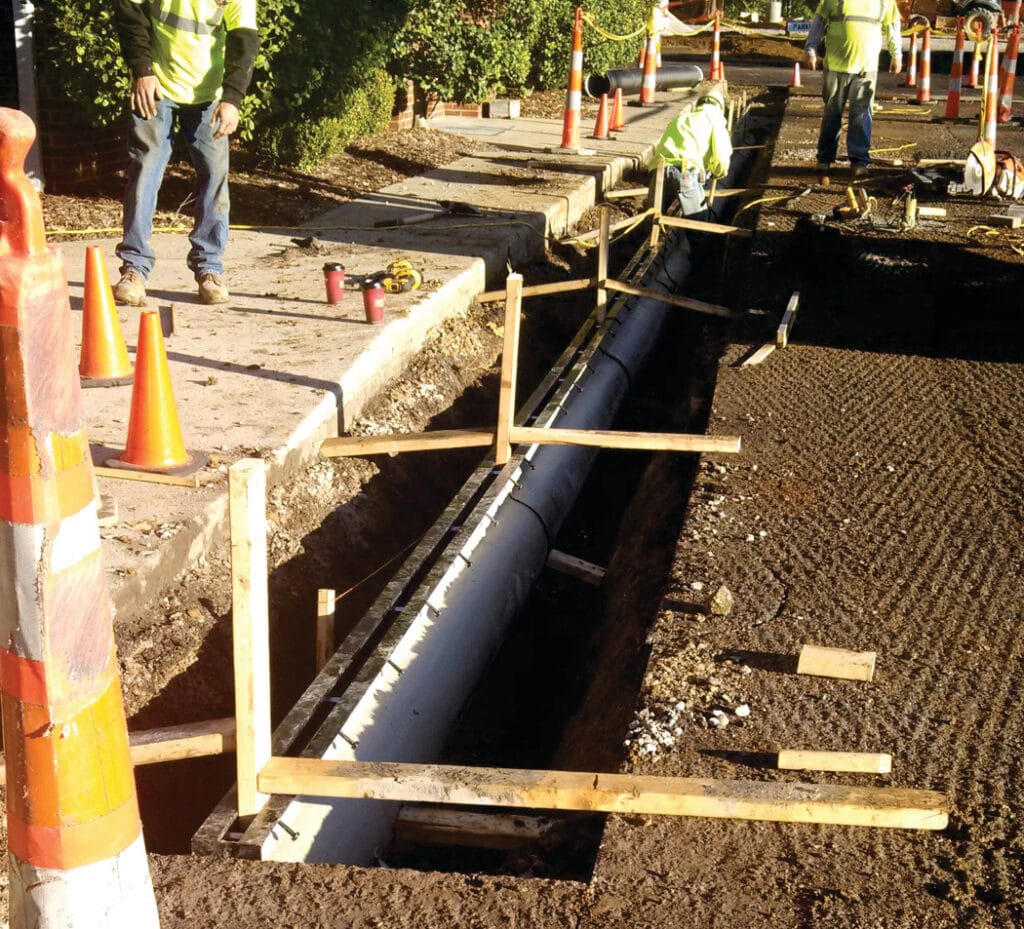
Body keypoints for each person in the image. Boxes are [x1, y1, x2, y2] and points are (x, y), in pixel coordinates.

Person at [113, 0, 259, 306]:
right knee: (145, 170)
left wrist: (232, 98)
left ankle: (209, 269)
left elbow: (244, 42)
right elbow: (129, 10)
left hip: (209, 96)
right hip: (157, 88)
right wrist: (141, 70)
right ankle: (134, 269)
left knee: (215, 177)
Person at [804, 0, 902, 183]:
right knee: (832, 114)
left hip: (866, 68)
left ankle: (859, 162)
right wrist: (810, 49)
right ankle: (825, 159)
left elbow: (893, 26)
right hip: (835, 67)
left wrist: (897, 54)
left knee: (862, 116)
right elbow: (819, 22)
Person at [654, 89, 733, 219]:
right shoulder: (715, 119)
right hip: (685, 172)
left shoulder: (683, 118)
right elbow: (722, 154)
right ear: (720, 107)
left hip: (659, 171)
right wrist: (719, 172)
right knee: (698, 227)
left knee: (652, 220)